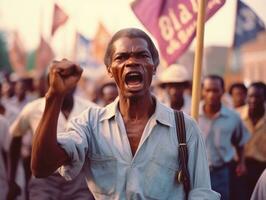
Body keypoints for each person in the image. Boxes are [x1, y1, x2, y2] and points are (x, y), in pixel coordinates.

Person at [31, 28, 220, 199]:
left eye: (141, 55)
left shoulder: (185, 128)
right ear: (109, 70)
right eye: (121, 57)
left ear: (154, 66)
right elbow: (41, 167)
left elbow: (201, 193)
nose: (132, 62)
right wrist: (54, 96)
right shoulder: (90, 124)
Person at [8, 87, 95, 200]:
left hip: (79, 178)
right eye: (58, 78)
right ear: (49, 83)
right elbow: (16, 138)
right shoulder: (33, 108)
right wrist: (12, 180)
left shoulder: (90, 109)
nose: (64, 84)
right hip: (44, 178)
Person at [198, 75, 250, 200]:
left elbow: (240, 141)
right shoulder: (191, 114)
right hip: (196, 172)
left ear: (223, 91)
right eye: (208, 90)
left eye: (215, 90)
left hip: (221, 172)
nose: (211, 95)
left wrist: (241, 163)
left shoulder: (233, 117)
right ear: (202, 92)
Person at [237, 81, 266, 198]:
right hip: (239, 168)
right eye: (250, 96)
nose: (253, 100)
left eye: (258, 96)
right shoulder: (236, 115)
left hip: (261, 168)